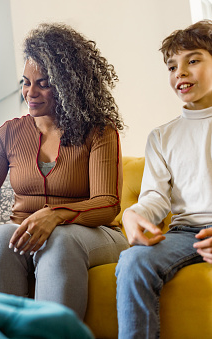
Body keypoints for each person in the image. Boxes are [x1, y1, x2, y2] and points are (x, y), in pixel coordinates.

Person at [0, 22, 129, 319]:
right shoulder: (9, 133)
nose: (30, 92)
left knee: (60, 240)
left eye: (43, 83)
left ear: (69, 84)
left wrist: (56, 215)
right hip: (27, 233)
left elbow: (107, 204)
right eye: (25, 82)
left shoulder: (99, 132)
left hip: (93, 234)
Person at [115, 20, 212, 338]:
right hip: (186, 234)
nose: (180, 72)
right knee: (132, 261)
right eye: (172, 66)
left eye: (193, 60)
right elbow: (155, 197)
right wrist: (134, 214)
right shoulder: (161, 137)